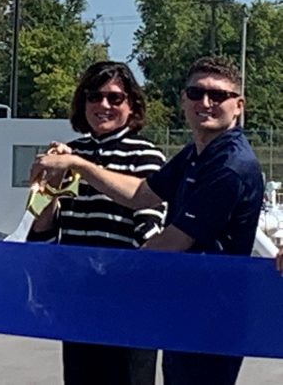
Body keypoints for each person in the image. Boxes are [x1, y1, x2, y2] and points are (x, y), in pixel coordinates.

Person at [32, 56, 263, 385]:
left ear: (238, 105)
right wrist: (68, 172)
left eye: (219, 96)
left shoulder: (226, 165)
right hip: (167, 308)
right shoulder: (196, 152)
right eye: (196, 93)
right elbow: (141, 193)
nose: (206, 102)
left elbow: (168, 241)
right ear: (183, 99)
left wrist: (108, 280)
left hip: (201, 313)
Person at [27, 61, 166, 385]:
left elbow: (149, 228)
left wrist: (80, 165)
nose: (103, 105)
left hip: (130, 301)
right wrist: (53, 184)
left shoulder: (146, 156)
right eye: (94, 96)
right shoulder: (70, 153)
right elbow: (43, 232)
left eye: (115, 98)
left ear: (131, 105)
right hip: (80, 300)